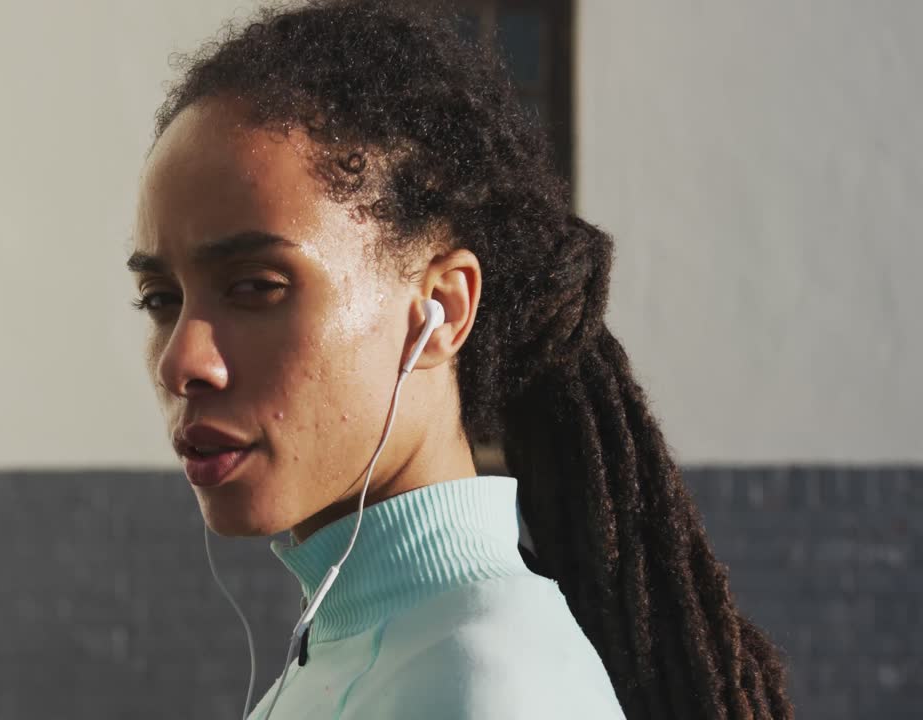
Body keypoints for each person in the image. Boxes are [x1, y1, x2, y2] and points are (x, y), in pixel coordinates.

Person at [127, 1, 793, 718]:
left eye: (257, 287)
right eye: (161, 299)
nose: (182, 362)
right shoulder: (364, 646)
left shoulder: (488, 687)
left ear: (442, 308)